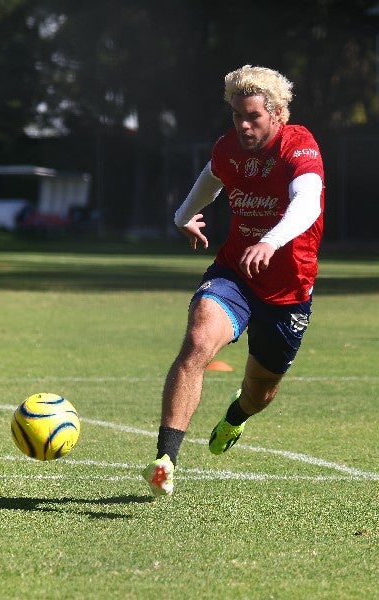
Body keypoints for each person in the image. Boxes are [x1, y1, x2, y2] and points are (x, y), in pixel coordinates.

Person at [142, 64, 325, 497]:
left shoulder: (299, 146)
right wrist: (182, 216)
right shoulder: (228, 147)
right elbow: (211, 179)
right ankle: (165, 459)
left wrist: (272, 240)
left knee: (259, 393)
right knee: (199, 340)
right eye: (236, 115)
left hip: (289, 290)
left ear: (277, 113)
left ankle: (235, 418)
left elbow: (308, 203)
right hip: (235, 275)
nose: (242, 125)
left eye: (252, 117)